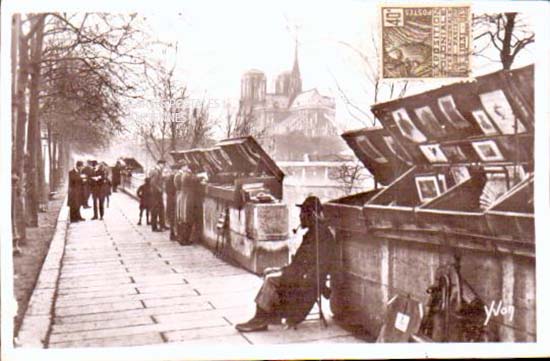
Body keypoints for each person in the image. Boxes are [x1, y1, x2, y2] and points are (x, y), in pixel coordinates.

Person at [235, 196, 335, 332]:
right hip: (301, 275)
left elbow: (314, 267)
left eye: (302, 214)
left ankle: (260, 320)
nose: (300, 218)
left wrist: (285, 272)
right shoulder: (317, 233)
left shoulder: (319, 236)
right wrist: (283, 270)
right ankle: (269, 316)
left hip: (305, 281)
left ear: (311, 215)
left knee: (271, 280)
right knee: (269, 273)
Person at [149, 159, 168, 232]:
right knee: (155, 209)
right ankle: (154, 227)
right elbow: (153, 183)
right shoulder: (156, 172)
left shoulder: (157, 171)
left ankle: (162, 225)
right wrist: (160, 189)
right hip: (156, 193)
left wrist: (163, 178)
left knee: (160, 208)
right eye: (163, 165)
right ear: (160, 164)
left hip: (156, 192)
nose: (164, 166)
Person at [165, 168, 178, 241]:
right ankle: (173, 234)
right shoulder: (172, 178)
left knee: (171, 218)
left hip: (169, 199)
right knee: (173, 217)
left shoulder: (168, 178)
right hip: (172, 200)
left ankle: (172, 234)